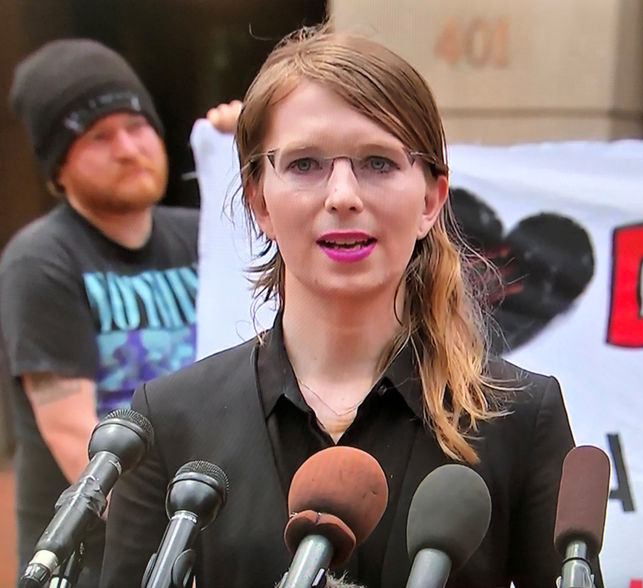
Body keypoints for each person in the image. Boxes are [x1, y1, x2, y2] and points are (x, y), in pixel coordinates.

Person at [101, 25, 604, 588]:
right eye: (305, 164)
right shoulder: (168, 420)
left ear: (431, 199)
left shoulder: (522, 417)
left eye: (378, 162)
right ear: (258, 200)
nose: (342, 194)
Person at [0, 39, 200, 586]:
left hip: (192, 531)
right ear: (58, 168)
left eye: (137, 126)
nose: (128, 147)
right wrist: (192, 533)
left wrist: (246, 146)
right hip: (92, 559)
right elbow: (75, 440)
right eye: (98, 136)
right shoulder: (41, 261)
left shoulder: (201, 237)